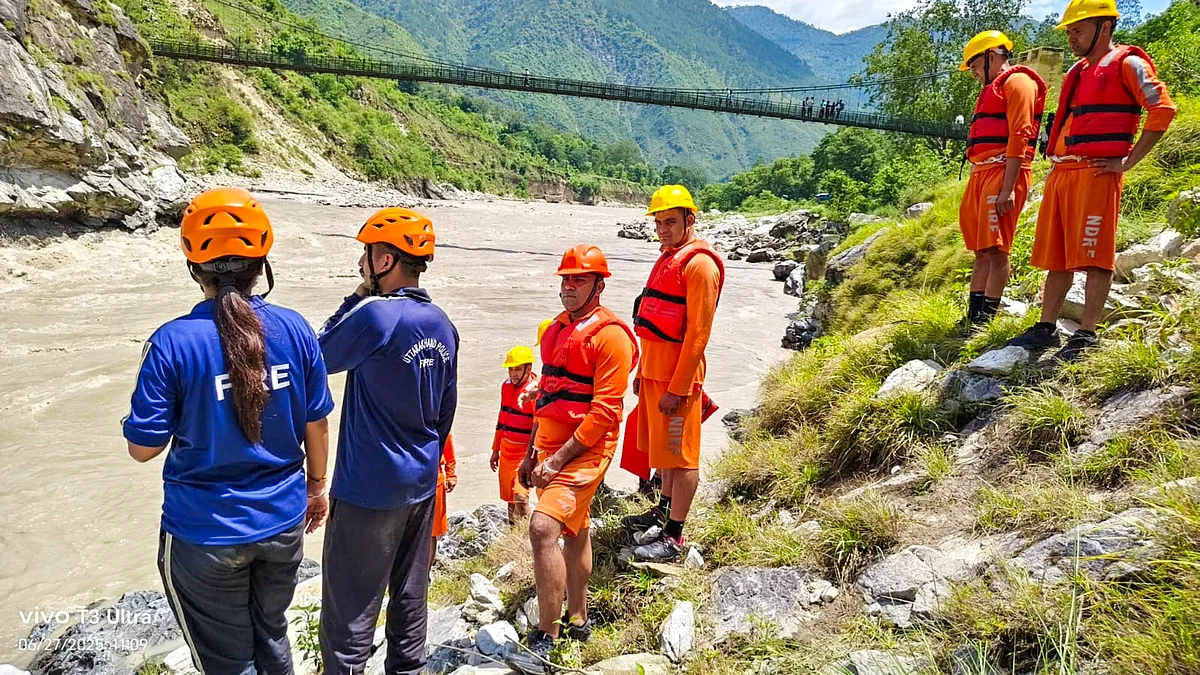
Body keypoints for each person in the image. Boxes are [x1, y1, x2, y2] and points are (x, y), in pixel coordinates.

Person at [123, 187, 335, 674]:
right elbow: (317, 421)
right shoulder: (295, 329)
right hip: (283, 522)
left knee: (226, 661)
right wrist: (316, 489)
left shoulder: (171, 343)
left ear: (194, 267)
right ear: (261, 264)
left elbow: (142, 448)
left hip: (205, 533)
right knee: (272, 634)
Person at [317, 207, 459, 674]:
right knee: (410, 598)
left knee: (349, 618)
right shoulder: (442, 324)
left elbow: (317, 355)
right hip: (420, 484)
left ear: (384, 261)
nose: (361, 264)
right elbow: (445, 413)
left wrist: (357, 294)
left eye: (367, 256)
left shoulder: (376, 315)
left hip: (367, 490)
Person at [1007, 0, 1175, 362]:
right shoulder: (1078, 71)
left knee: (1095, 256)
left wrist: (1128, 162)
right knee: (1058, 257)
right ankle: (1046, 327)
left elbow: (1162, 109)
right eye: (1069, 30)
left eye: (1078, 30)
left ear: (1105, 26)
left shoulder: (1128, 63)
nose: (1071, 37)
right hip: (1062, 173)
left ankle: (1087, 333)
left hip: (1097, 174)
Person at [505, 245, 637, 675]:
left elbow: (603, 413)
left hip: (587, 450)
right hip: (550, 448)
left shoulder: (612, 337)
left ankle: (547, 637)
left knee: (543, 527)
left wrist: (558, 461)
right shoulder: (556, 331)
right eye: (566, 279)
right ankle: (579, 620)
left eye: (580, 279)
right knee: (576, 529)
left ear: (599, 285)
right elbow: (546, 397)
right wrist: (531, 454)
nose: (569, 286)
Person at [622, 186, 723, 563]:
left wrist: (678, 389)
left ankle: (674, 536)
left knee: (682, 457)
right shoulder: (668, 257)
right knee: (664, 454)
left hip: (678, 382)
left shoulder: (700, 265)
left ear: (689, 220)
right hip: (654, 374)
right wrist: (642, 371)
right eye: (659, 222)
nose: (662, 229)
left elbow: (698, 334)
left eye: (670, 222)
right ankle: (663, 511)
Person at [957, 30, 1047, 328]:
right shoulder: (992, 87)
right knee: (981, 250)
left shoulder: (1018, 82)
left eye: (974, 66)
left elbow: (1020, 133)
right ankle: (973, 318)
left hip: (1003, 173)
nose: (973, 73)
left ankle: (985, 321)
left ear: (991, 57)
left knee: (997, 250)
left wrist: (1008, 189)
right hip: (982, 172)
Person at [491, 346, 537, 523]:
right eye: (511, 369)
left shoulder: (535, 392)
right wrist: (495, 450)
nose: (513, 374)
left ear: (528, 368)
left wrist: (533, 457)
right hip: (506, 452)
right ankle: (513, 532)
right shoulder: (506, 386)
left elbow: (540, 426)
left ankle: (527, 533)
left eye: (518, 369)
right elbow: (502, 418)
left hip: (524, 453)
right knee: (510, 501)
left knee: (521, 496)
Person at [431, 434, 458, 566]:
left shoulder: (437, 423)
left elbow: (448, 447)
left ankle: (426, 571)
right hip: (406, 483)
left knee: (431, 532)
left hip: (435, 479)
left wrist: (451, 475)